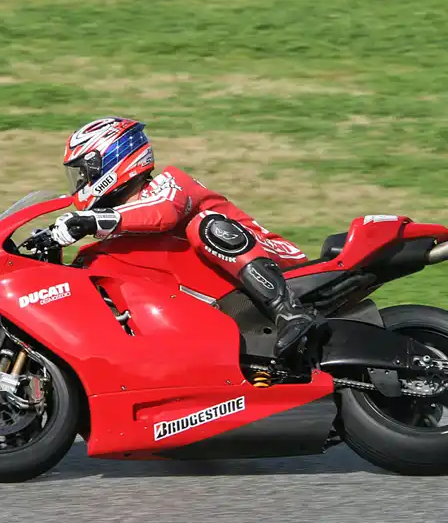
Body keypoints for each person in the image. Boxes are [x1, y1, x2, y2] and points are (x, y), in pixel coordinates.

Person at [42, 116, 320, 359]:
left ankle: (289, 312)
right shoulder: (122, 225)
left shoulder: (171, 184)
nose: (79, 183)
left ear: (110, 160)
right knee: (95, 261)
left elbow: (162, 213)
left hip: (282, 263)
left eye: (83, 172)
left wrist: (91, 220)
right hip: (226, 300)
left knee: (205, 226)